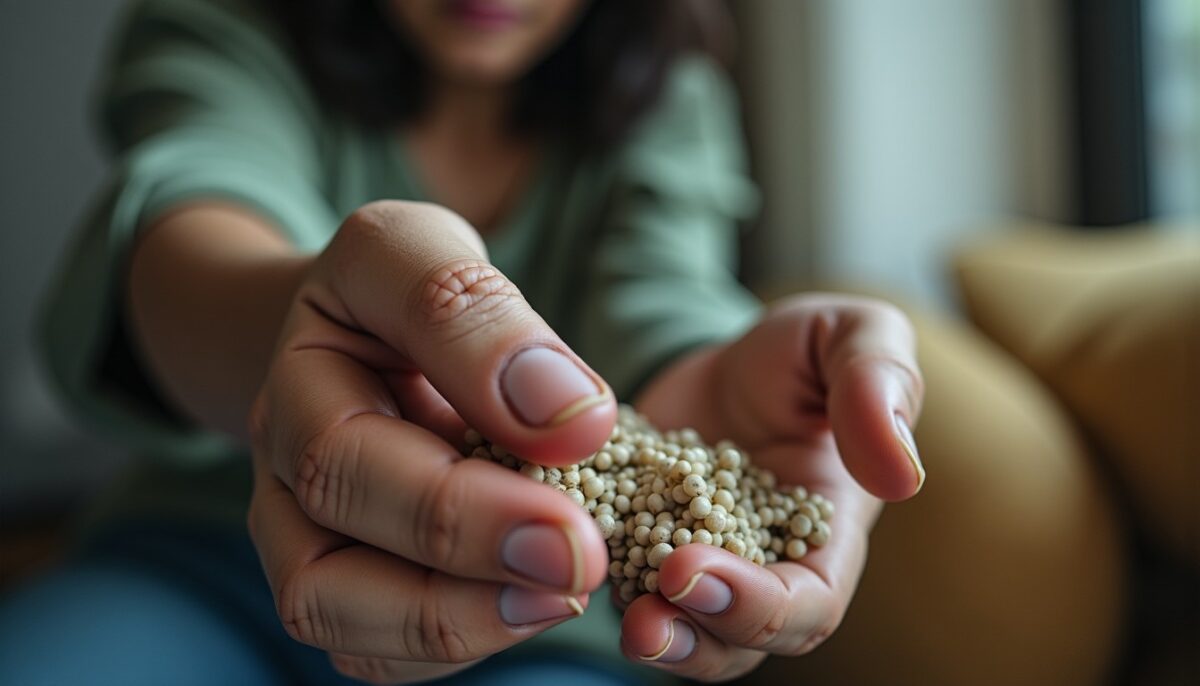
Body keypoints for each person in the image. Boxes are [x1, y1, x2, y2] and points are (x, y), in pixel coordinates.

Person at [0, 0, 926, 683]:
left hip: (552, 611)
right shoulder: (234, 28)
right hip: (208, 558)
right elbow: (196, 225)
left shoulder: (667, 96)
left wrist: (716, 375)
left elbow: (664, 296)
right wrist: (305, 335)